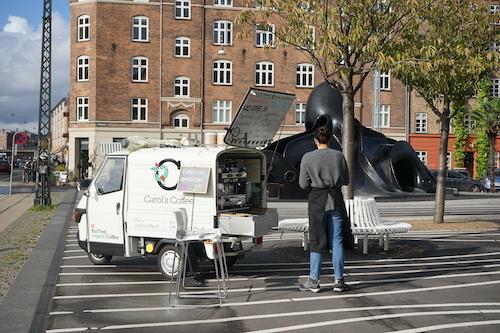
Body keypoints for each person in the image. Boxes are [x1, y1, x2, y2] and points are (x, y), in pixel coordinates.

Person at [298, 124, 351, 293]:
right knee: (337, 241)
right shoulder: (339, 156)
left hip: (317, 201)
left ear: (315, 140)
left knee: (316, 240)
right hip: (335, 199)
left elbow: (302, 183)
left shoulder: (307, 157)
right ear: (330, 139)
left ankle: (314, 281)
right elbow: (346, 180)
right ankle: (339, 280)